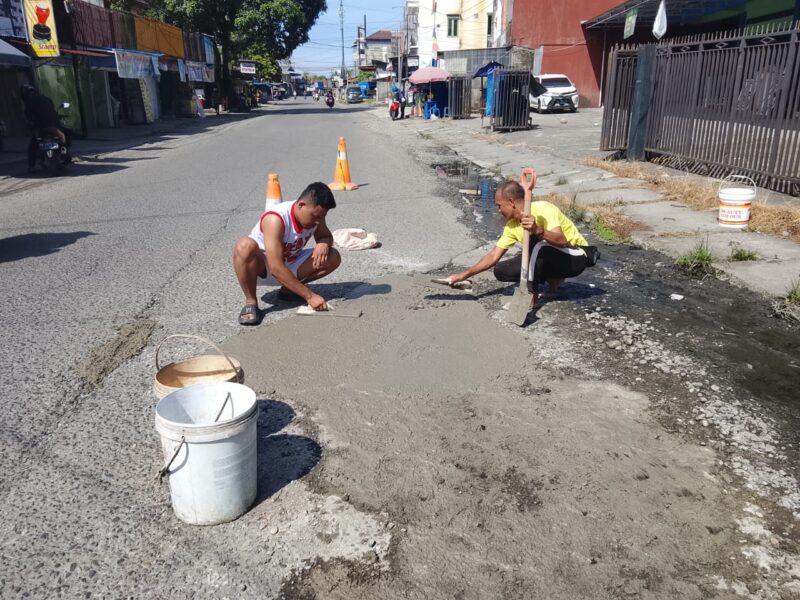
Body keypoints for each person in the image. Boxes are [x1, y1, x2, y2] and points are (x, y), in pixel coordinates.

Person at [449, 177, 590, 308]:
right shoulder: (511, 225)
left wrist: (537, 230)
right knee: (502, 270)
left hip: (576, 256)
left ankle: (531, 296)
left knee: (536, 242)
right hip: (549, 257)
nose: (498, 210)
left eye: (499, 206)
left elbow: (561, 241)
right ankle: (554, 280)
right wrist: (464, 275)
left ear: (511, 202)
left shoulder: (543, 209)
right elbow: (493, 256)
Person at [233, 182, 342, 325]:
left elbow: (325, 236)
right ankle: (251, 302)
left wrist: (323, 243)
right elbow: (275, 267)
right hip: (262, 268)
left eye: (321, 218)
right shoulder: (276, 219)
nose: (317, 222)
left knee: (333, 256)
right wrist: (310, 296)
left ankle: (288, 290)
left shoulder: (317, 217)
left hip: (290, 263)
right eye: (314, 216)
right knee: (244, 246)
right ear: (301, 205)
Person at [20, 85, 71, 172]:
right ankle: (65, 154)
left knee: (32, 146)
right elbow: (52, 111)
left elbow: (28, 116)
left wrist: (31, 125)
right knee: (66, 136)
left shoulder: (28, 103)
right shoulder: (46, 99)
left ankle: (31, 166)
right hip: (53, 126)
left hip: (41, 127)